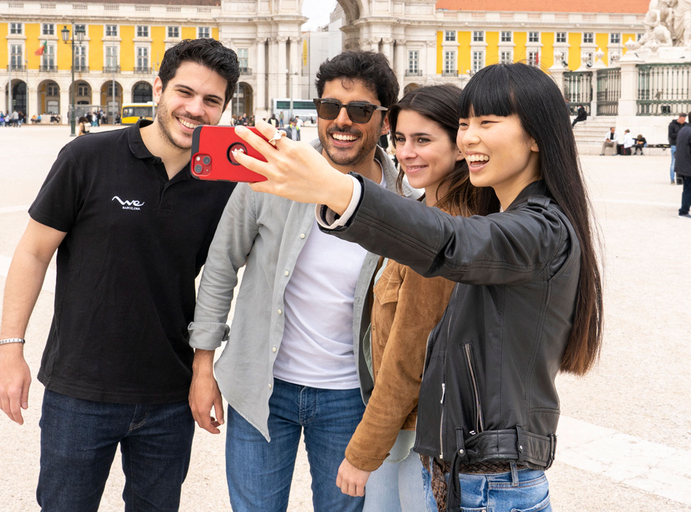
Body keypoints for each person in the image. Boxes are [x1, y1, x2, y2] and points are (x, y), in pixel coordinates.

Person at [231, 62, 604, 512]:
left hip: (491, 484)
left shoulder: (541, 230)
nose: (469, 138)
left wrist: (338, 190)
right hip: (468, 471)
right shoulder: (506, 219)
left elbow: (451, 242)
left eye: (487, 123)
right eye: (465, 123)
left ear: (537, 136)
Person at [0, 38, 240, 511]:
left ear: (224, 108)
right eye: (184, 92)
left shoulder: (222, 185)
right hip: (80, 389)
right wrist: (10, 350)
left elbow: (220, 281)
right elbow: (33, 253)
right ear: (159, 88)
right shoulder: (86, 157)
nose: (195, 109)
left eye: (212, 101)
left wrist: (205, 368)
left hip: (170, 393)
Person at [188, 51, 406, 512]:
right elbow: (221, 266)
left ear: (384, 122)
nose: (341, 121)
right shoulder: (266, 175)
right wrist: (203, 365)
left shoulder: (406, 201)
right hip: (262, 387)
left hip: (351, 398)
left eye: (360, 111)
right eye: (330, 108)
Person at [336, 85, 498, 511]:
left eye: (423, 140)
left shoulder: (444, 228)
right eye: (400, 139)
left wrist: (362, 452)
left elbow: (409, 356)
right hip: (407, 430)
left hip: (418, 438)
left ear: (460, 147)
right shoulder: (425, 212)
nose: (407, 153)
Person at [674, 118, 691, 217]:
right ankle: (683, 211)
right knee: (688, 189)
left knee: (687, 188)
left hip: (682, 164)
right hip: (688, 165)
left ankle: (685, 207)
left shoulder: (683, 129)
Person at [669, 113, 686, 183]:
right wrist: (680, 133)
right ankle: (672, 179)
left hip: (684, 145)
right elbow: (670, 135)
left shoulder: (686, 125)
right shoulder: (672, 125)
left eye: (684, 120)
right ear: (679, 118)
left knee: (684, 162)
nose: (683, 121)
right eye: (682, 120)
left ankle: (682, 178)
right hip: (675, 145)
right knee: (674, 162)